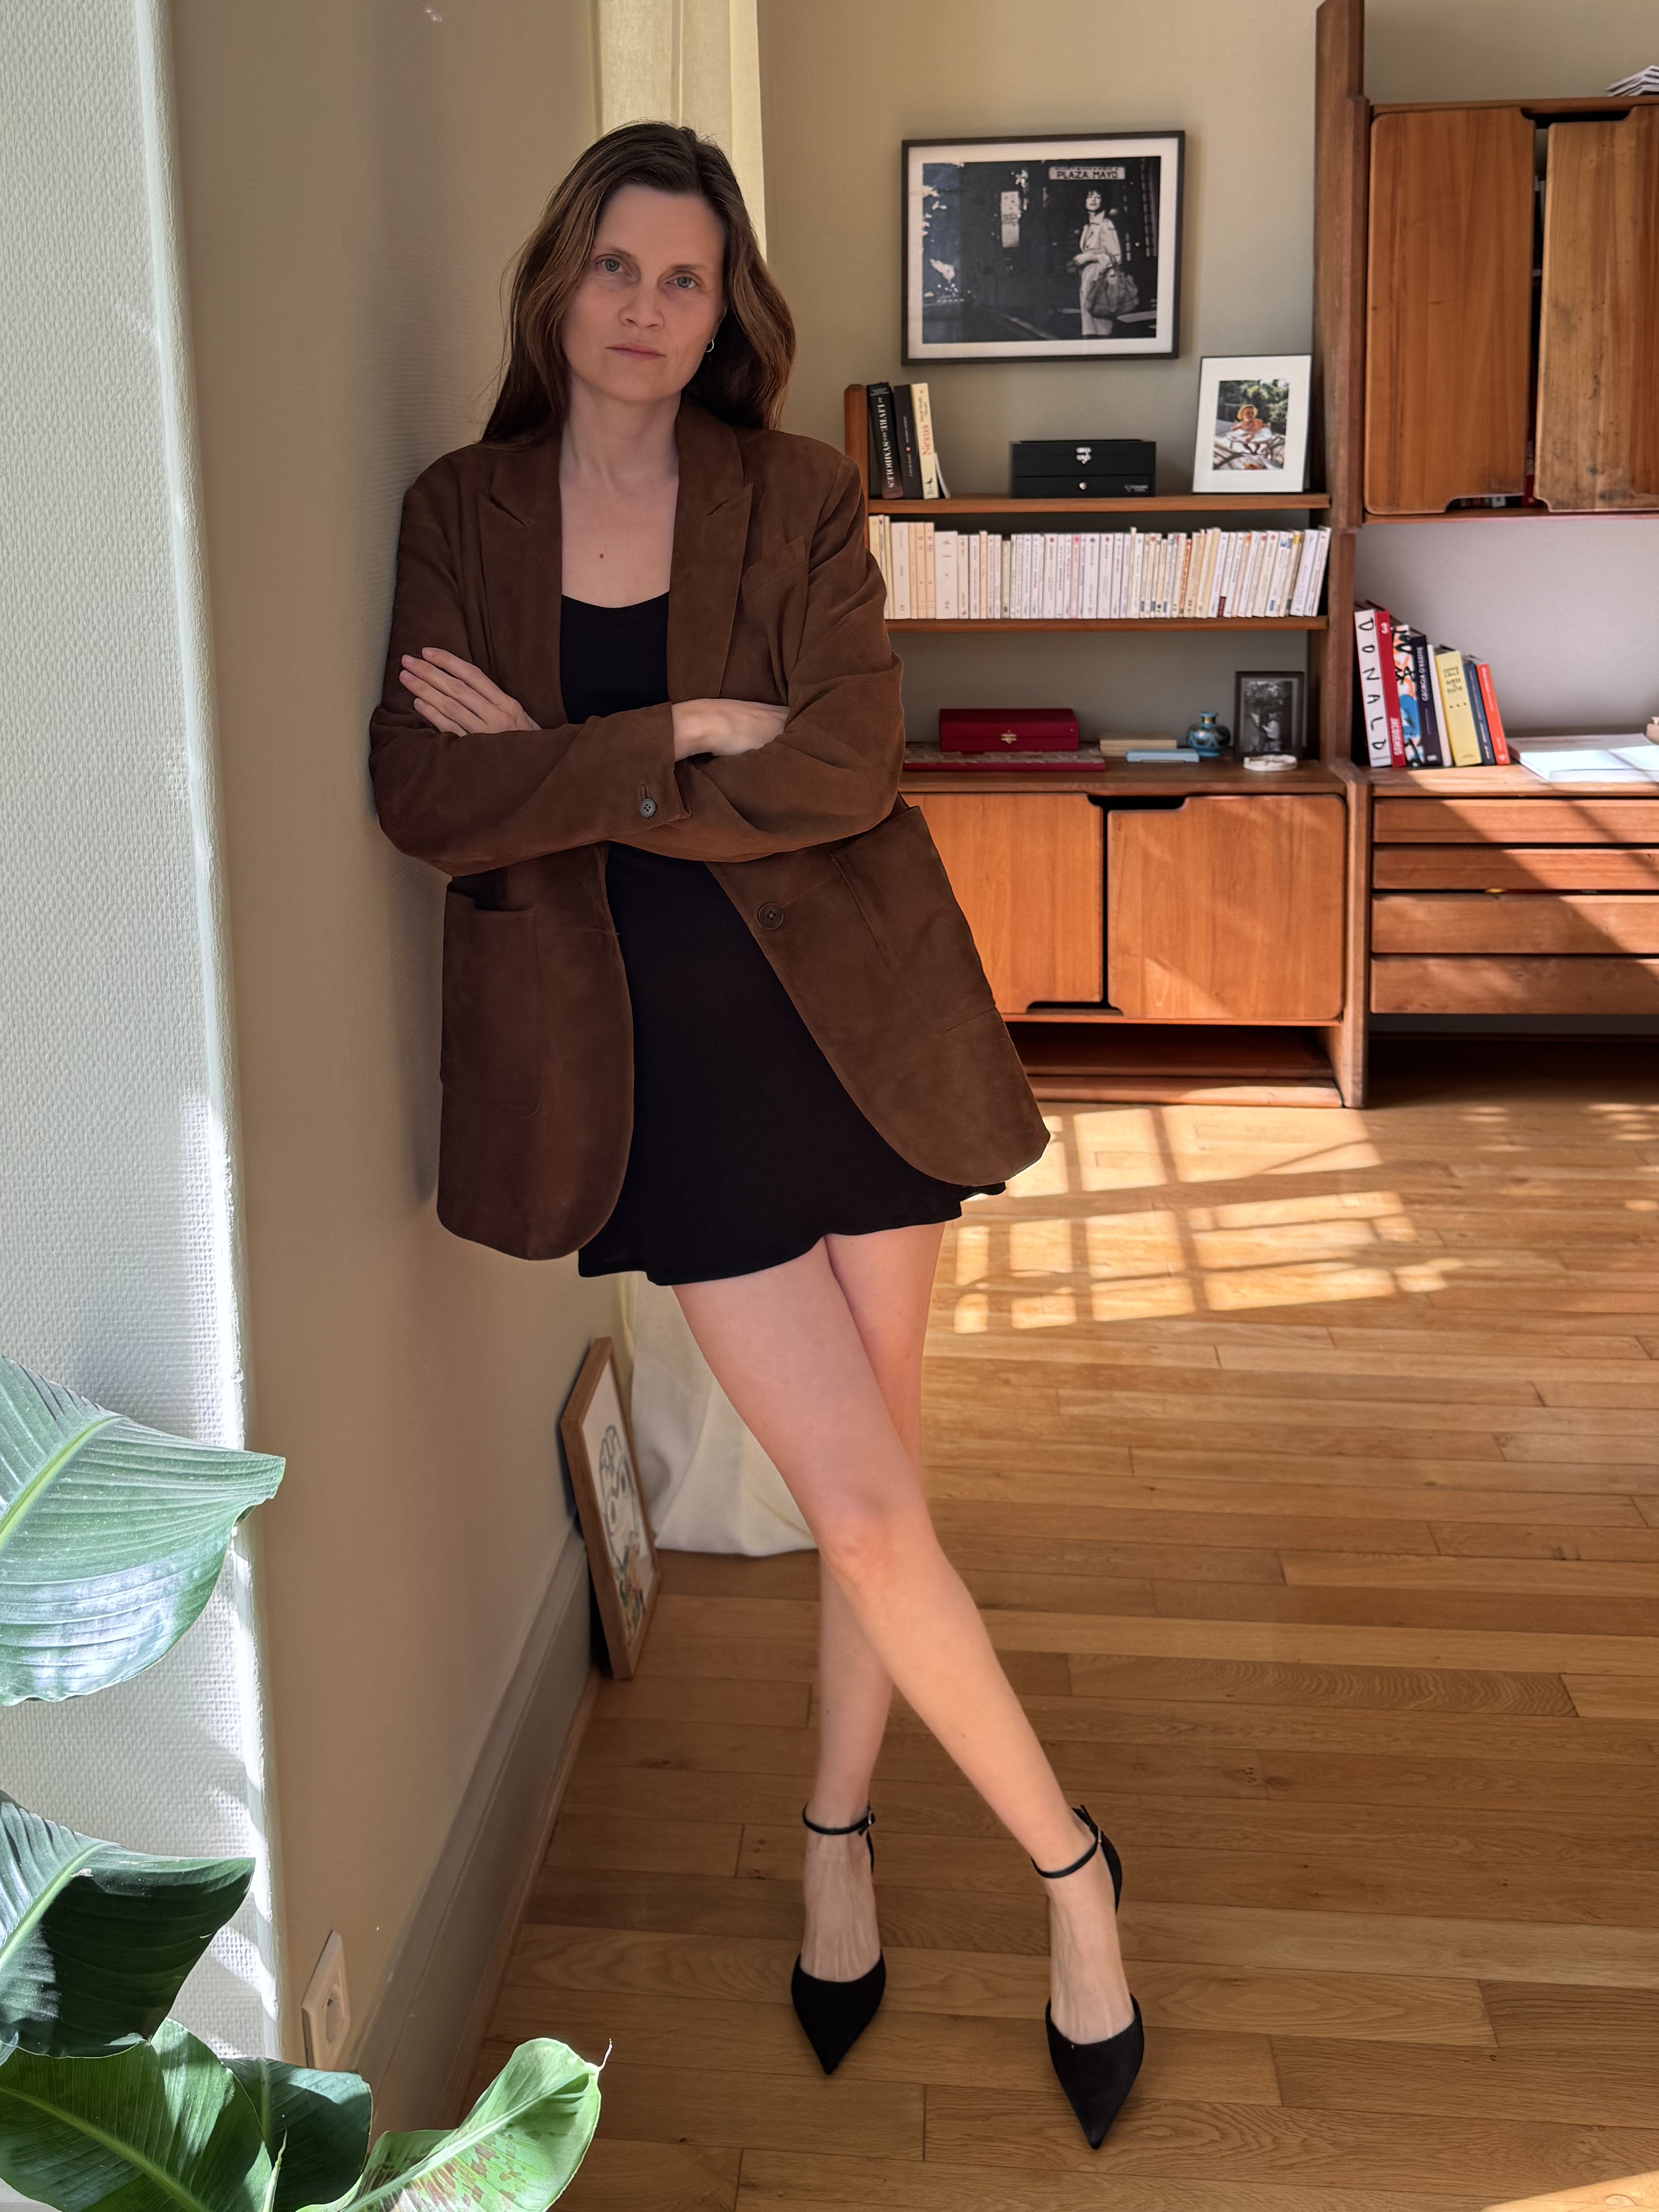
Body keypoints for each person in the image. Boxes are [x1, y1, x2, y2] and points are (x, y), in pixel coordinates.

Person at [369, 122, 1142, 2149]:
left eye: (683, 277)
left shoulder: (793, 494)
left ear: (726, 313)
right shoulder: (461, 509)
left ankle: (835, 1834)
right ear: (560, 280)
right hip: (654, 1078)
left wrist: (564, 770)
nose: (643, 307)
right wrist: (681, 734)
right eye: (615, 266)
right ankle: (1073, 1877)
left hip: (851, 1026)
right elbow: (424, 800)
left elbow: (847, 766)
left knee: (875, 1494)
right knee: (862, 1507)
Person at [1073, 189, 1124, 337]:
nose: (1094, 200)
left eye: (1098, 197)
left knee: (1101, 329)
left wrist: (1089, 257)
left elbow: (1116, 256)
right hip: (1088, 279)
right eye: (1090, 197)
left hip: (1101, 280)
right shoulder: (1087, 227)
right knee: (1091, 328)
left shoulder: (1105, 225)